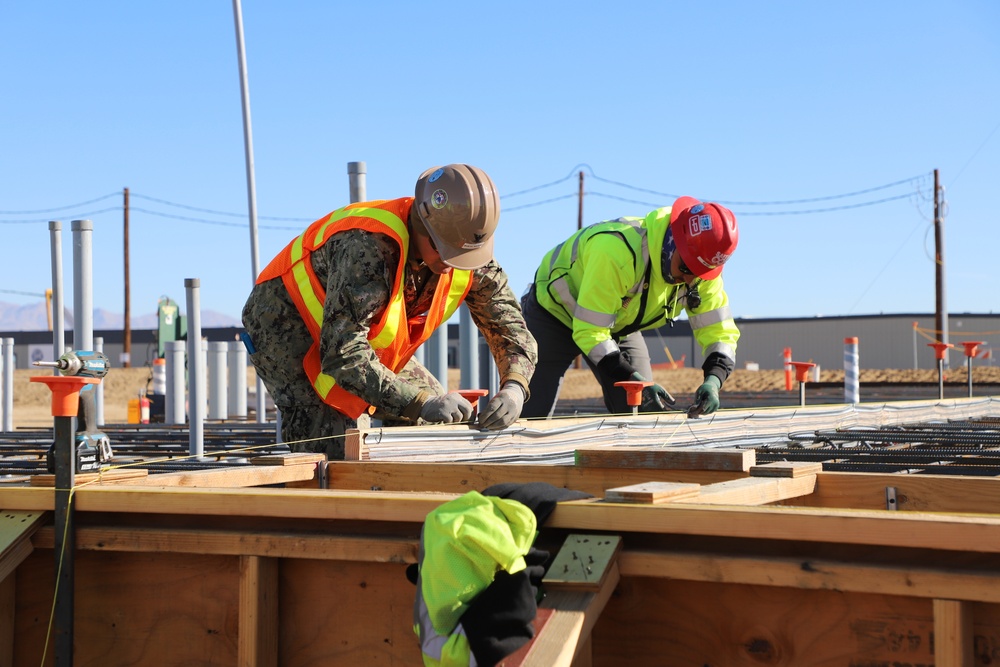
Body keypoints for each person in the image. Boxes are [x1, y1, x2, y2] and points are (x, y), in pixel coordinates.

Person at [241, 164, 537, 459]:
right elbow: (344, 354)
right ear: (422, 223)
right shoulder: (368, 246)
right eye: (442, 249)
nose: (451, 263)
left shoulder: (468, 250)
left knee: (432, 421)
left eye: (461, 254)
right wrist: (419, 402)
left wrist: (515, 387)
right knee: (332, 443)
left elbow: (509, 327)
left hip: (352, 337)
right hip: (287, 325)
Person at [519, 196, 740, 419]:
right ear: (671, 242)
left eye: (698, 273)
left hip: (618, 322)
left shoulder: (701, 270)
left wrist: (714, 380)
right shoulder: (616, 252)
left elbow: (720, 334)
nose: (687, 279)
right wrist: (634, 379)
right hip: (554, 314)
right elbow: (590, 332)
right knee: (532, 414)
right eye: (684, 267)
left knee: (641, 408)